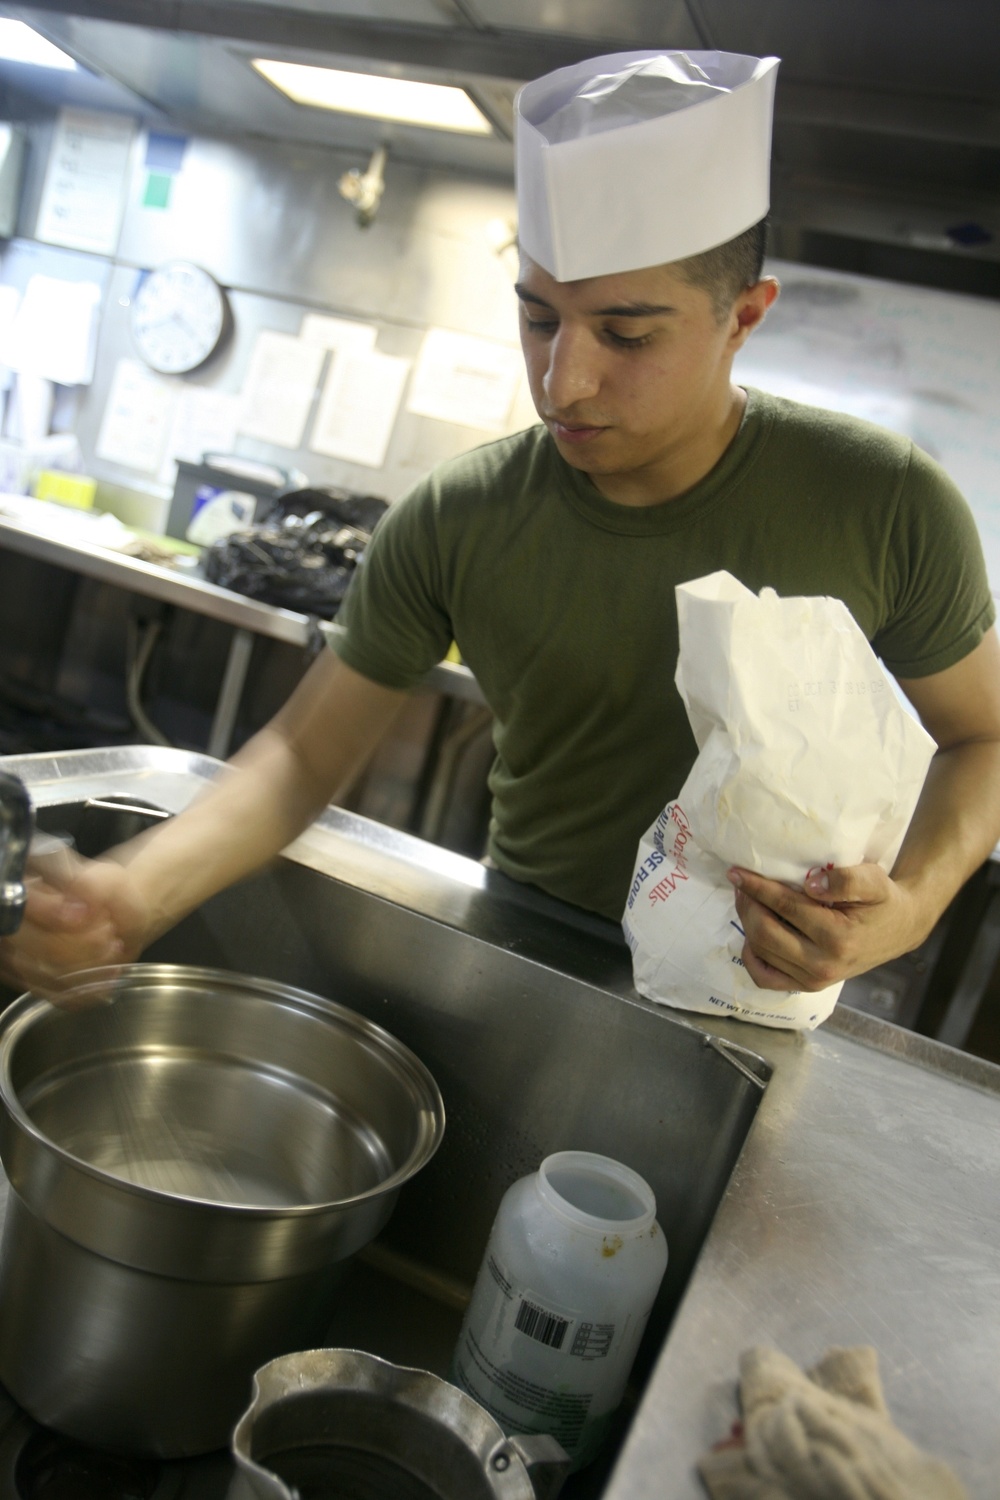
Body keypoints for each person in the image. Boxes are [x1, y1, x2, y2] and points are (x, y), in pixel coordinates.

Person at [3, 49, 1000, 1004]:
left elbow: (985, 736)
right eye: (538, 318)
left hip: (762, 984)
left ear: (743, 317)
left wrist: (905, 910)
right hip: (524, 956)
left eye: (626, 333)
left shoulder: (881, 504)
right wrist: (137, 890)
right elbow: (301, 757)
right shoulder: (461, 513)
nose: (564, 381)